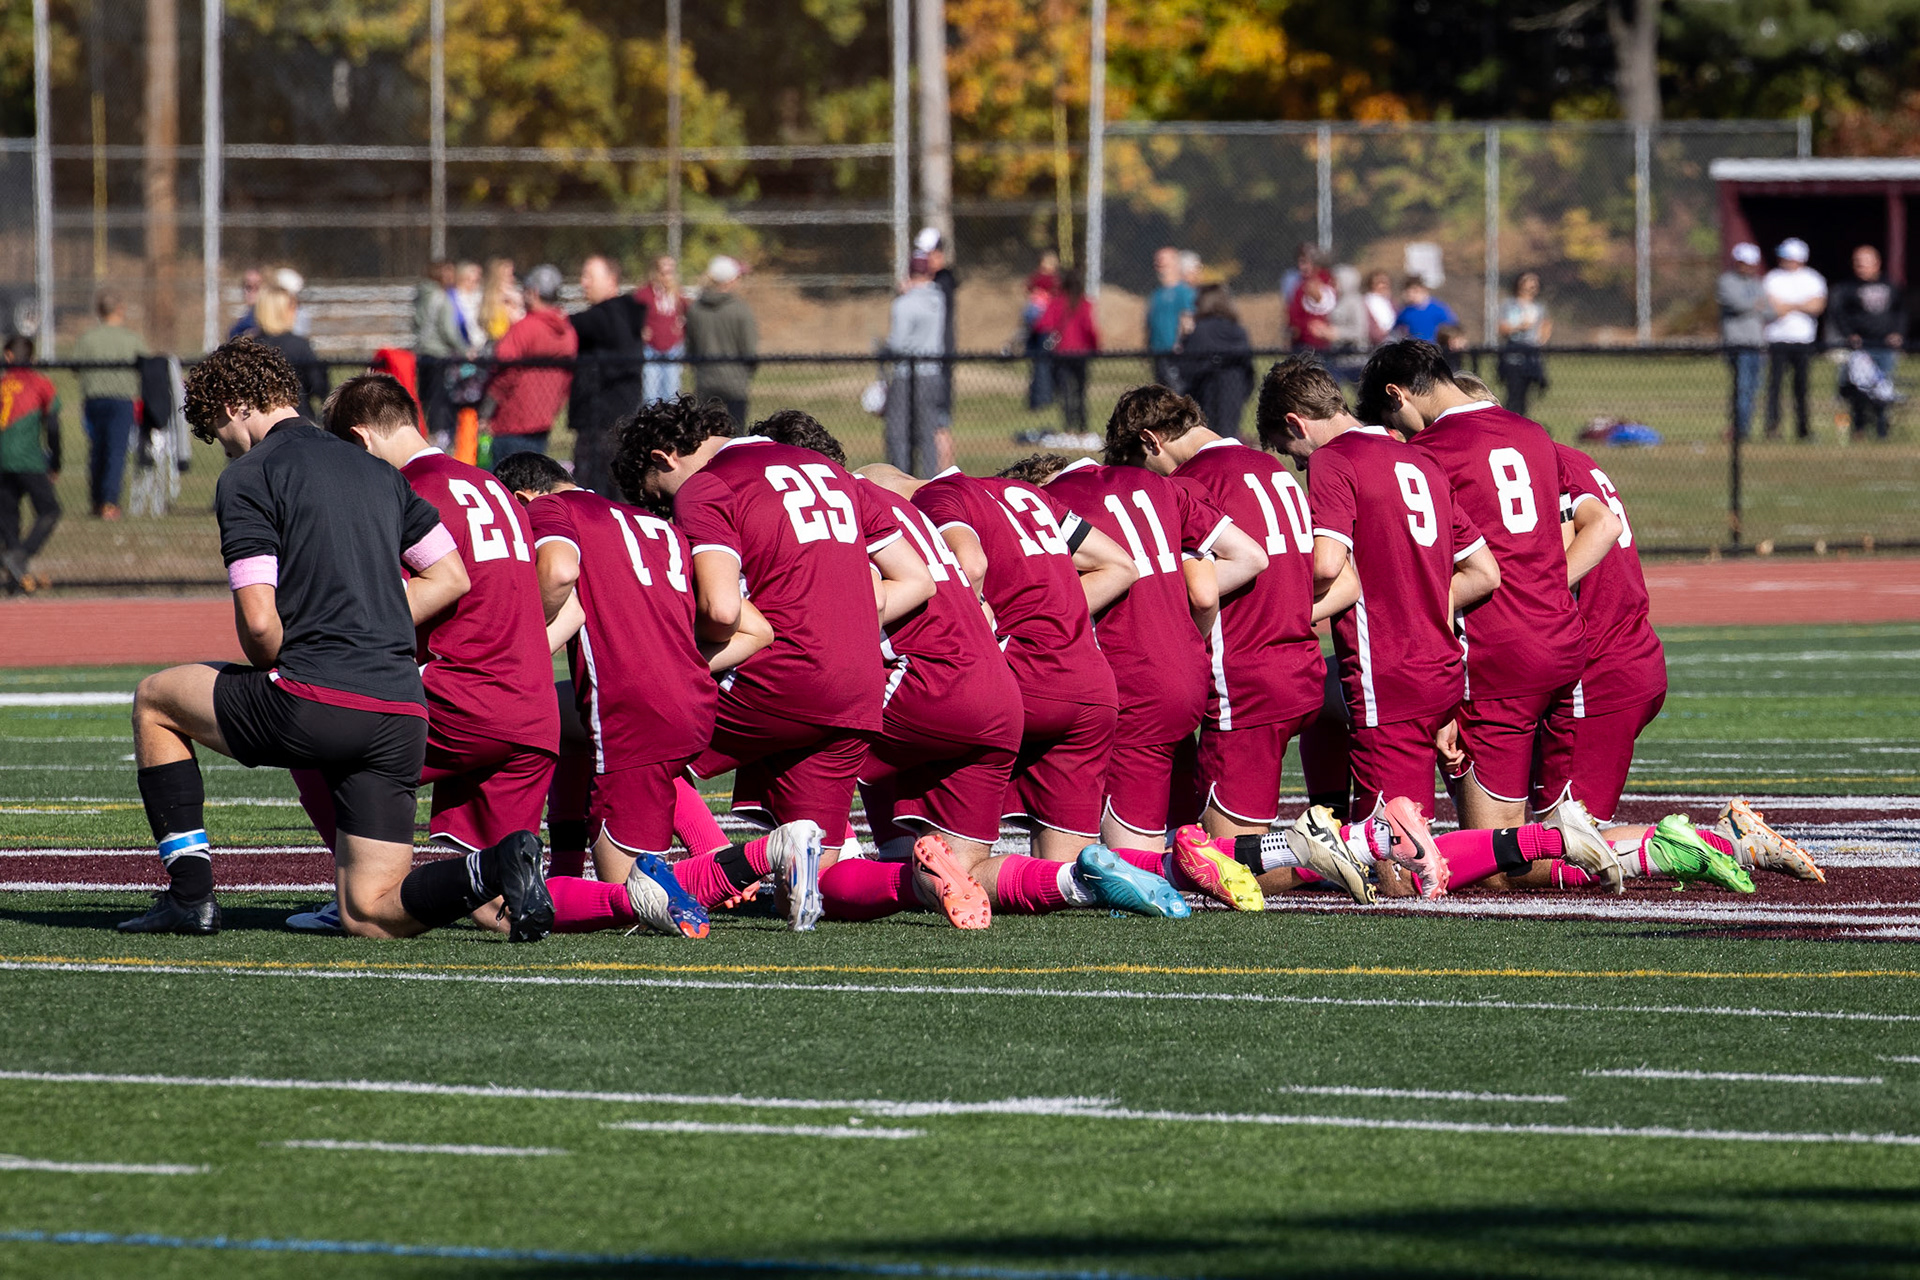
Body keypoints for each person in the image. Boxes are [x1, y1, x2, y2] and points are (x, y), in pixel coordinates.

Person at [118, 337, 554, 940]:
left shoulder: (251, 475)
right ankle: (489, 868)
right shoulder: (380, 472)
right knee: (369, 912)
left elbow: (261, 625)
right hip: (401, 711)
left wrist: (296, 652)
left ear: (238, 406)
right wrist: (374, 625)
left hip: (318, 697)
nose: (226, 447)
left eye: (219, 431)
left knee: (155, 700)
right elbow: (449, 575)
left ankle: (189, 897)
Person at [619, 396, 934, 930]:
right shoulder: (833, 473)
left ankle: (708, 868)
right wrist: (837, 622)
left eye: (659, 497)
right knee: (812, 882)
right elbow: (916, 580)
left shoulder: (708, 486)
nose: (668, 511)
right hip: (857, 685)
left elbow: (721, 611)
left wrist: (669, 654)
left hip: (780, 676)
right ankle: (918, 882)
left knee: (635, 739)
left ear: (664, 458)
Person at [499, 450, 795, 938]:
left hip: (631, 713)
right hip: (689, 702)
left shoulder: (550, 509)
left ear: (522, 499)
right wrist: (677, 667)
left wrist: (510, 643)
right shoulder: (654, 525)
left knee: (629, 901)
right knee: (559, 715)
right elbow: (757, 630)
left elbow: (558, 573)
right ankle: (567, 867)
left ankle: (769, 852)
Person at [1357, 340, 1622, 845]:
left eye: (1394, 422)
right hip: (1562, 641)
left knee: (1493, 856)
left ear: (1397, 394)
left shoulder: (1428, 452)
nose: (1400, 435)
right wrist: (1542, 590)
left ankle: (1659, 848)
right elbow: (1570, 531)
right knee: (1550, 827)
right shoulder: (1532, 432)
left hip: (1499, 656)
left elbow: (1430, 573)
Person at [754, 413, 1012, 929]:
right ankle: (1080, 879)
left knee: (792, 720)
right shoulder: (888, 497)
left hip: (925, 681)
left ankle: (842, 862)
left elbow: (863, 600)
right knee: (970, 871)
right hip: (999, 692)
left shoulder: (829, 509)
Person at [1113, 381, 1368, 899]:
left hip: (1244, 685)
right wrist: (1285, 614)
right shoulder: (1273, 468)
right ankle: (1340, 845)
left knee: (1221, 869)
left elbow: (1200, 592)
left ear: (1150, 441)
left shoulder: (1191, 482)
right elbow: (1347, 581)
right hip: (1298, 665)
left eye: (1141, 467)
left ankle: (1337, 849)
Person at [912, 459, 1192, 919]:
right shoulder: (1029, 497)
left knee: (949, 877)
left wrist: (988, 630)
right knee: (1064, 875)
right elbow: (1120, 566)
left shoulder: (935, 497)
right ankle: (1171, 866)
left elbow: (971, 564)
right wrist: (1054, 617)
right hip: (1090, 685)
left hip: (1021, 682)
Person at [1253, 358, 1502, 844]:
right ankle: (1330, 822)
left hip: (1387, 677)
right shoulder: (1419, 457)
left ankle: (1558, 847)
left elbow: (1327, 565)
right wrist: (1417, 600)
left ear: (1296, 423)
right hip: (1441, 669)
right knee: (1319, 697)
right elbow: (1484, 572)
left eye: (1289, 451)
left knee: (1393, 858)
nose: (1297, 463)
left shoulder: (1333, 460)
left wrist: (1269, 603)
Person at [1043, 398, 1269, 874]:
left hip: (1133, 679)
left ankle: (1299, 853)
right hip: (1188, 673)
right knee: (1177, 826)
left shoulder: (1052, 502)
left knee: (1139, 871)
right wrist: (1179, 619)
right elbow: (1249, 557)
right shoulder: (1163, 486)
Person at [567, 254, 648, 496]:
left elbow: (574, 324)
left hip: (603, 422)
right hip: (603, 420)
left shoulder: (610, 316)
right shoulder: (620, 314)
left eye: (590, 277)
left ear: (611, 280)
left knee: (596, 493)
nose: (584, 283)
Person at [484, 264, 576, 463]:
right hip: (544, 420)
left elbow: (504, 370)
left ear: (533, 293)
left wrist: (486, 411)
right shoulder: (567, 331)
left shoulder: (524, 328)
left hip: (510, 422)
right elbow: (567, 378)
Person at [70, 291, 143, 520]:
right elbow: (146, 365)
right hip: (121, 401)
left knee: (97, 451)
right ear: (119, 309)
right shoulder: (131, 338)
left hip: (94, 401)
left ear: (99, 311)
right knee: (116, 452)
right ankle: (110, 502)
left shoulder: (88, 338)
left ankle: (96, 500)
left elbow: (74, 366)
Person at [0, 335, 62, 592]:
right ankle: (20, 556)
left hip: (2, 461)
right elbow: (54, 426)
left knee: (8, 519)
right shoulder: (40, 383)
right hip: (28, 460)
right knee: (50, 511)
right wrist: (56, 462)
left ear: (8, 357)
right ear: (33, 359)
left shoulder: (3, 383)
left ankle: (15, 579)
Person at [1829, 243, 1907, 439]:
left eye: (1865, 262)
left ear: (1877, 263)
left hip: (1884, 346)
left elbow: (1901, 311)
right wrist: (1849, 334)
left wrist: (1897, 332)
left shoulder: (1890, 285)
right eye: (1857, 262)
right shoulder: (1847, 288)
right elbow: (1838, 314)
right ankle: (1859, 427)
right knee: (1859, 389)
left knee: (1883, 388)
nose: (1861, 266)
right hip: (1861, 347)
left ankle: (1882, 429)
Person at [885, 252, 946, 477]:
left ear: (909, 273)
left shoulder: (904, 304)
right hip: (932, 372)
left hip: (906, 374)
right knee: (928, 431)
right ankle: (930, 480)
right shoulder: (938, 299)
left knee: (898, 431)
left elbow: (898, 344)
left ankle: (900, 477)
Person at [684, 256, 758, 430]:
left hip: (705, 380)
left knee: (706, 432)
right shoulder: (740, 309)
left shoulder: (695, 309)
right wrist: (747, 372)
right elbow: (749, 349)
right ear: (730, 280)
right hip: (735, 383)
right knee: (735, 432)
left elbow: (690, 346)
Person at [1762, 237, 1826, 440]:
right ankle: (1772, 428)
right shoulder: (1772, 278)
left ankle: (1803, 429)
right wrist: (1801, 304)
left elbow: (1817, 306)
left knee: (1801, 387)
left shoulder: (1813, 278)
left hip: (1803, 339)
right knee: (1775, 386)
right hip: (1777, 338)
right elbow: (1772, 307)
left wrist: (1788, 305)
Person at [1177, 283, 1255, 438]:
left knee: (1209, 434)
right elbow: (1247, 365)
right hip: (1235, 387)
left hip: (1207, 390)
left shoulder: (1200, 330)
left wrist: (1184, 338)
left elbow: (1187, 366)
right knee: (1229, 432)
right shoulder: (1237, 329)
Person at [246, 284, 328, 420]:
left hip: (257, 419)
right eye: (293, 307)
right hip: (299, 418)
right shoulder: (299, 345)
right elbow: (319, 387)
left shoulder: (249, 347)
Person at [1035, 268, 1098, 437]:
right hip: (1081, 353)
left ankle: (1069, 428)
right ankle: (1083, 428)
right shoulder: (1085, 303)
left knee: (1066, 392)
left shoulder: (1057, 302)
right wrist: (1095, 347)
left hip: (1062, 353)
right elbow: (1090, 328)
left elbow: (1042, 324)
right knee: (1080, 392)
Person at [1717, 243, 1767, 441]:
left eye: (1752, 263)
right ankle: (1739, 428)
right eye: (1745, 263)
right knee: (1742, 388)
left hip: (1756, 344)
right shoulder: (1726, 282)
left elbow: (1770, 310)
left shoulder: (1757, 283)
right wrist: (1757, 305)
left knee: (1754, 388)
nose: (1749, 267)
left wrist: (1757, 305)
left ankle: (1745, 427)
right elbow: (1737, 304)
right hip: (1737, 344)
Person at [413, 261, 467, 445]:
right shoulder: (441, 297)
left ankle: (422, 430)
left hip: (422, 352)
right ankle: (437, 434)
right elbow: (448, 331)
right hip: (438, 352)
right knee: (439, 396)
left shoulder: (422, 295)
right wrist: (465, 350)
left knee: (424, 395)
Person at [919, 228, 959, 438]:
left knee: (940, 418)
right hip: (924, 355)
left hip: (941, 351)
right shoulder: (929, 281)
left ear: (939, 254)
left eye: (929, 254)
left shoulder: (943, 280)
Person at [1497, 271, 1552, 419]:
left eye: (1535, 283)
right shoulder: (1509, 305)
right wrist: (1519, 327)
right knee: (1513, 393)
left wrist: (1542, 340)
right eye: (1528, 282)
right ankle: (1510, 420)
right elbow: (1502, 328)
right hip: (1514, 353)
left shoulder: (1539, 307)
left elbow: (1546, 325)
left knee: (1526, 396)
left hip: (1531, 355)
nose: (1532, 286)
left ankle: (1522, 420)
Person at [640, 255, 688, 406]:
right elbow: (633, 314)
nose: (668, 277)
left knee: (671, 392)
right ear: (656, 273)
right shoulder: (645, 294)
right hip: (651, 348)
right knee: (651, 394)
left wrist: (681, 328)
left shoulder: (677, 295)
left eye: (671, 272)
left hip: (672, 348)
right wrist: (641, 329)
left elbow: (688, 313)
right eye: (664, 272)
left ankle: (671, 418)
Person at [1146, 246, 1195, 391]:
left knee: (1177, 393)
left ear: (1175, 263)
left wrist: (1182, 343)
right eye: (1157, 261)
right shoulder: (1156, 294)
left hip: (1175, 354)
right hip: (1158, 353)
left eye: (1163, 260)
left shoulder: (1184, 292)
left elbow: (1188, 321)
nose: (1159, 264)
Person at [1021, 251, 1060, 410]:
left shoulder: (1043, 280)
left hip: (1041, 327)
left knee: (1040, 364)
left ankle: (1040, 398)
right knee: (1041, 364)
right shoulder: (1047, 280)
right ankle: (1041, 398)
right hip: (1040, 326)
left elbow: (1028, 287)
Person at [1394, 277, 1459, 347]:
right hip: (1413, 348)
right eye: (1409, 292)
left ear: (1424, 290)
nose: (1412, 295)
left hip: (1433, 347)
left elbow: (1453, 326)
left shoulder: (1438, 308)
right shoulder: (1406, 311)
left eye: (1416, 291)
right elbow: (1396, 328)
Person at [1288, 270, 1337, 353]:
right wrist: (1309, 327)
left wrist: (1326, 330)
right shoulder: (1299, 296)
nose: (1309, 287)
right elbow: (1295, 321)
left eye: (1313, 284)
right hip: (1305, 345)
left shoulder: (1331, 295)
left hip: (1328, 346)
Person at [479, 258, 521, 344]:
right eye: (508, 275)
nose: (512, 278)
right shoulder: (496, 296)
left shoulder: (515, 292)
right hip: (502, 338)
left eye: (512, 274)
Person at [1361, 271, 1397, 349]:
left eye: (1385, 283)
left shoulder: (1391, 302)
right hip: (1374, 344)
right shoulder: (1367, 301)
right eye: (1379, 283)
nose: (1383, 285)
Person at [227, 268, 263, 341]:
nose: (252, 292)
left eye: (257, 287)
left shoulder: (269, 320)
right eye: (248, 287)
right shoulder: (241, 323)